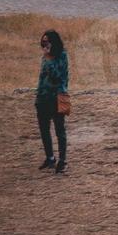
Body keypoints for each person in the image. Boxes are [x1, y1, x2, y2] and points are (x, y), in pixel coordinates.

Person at [36, 29, 68, 174]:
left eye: (47, 41)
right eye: (43, 41)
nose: (44, 44)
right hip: (43, 97)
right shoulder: (45, 57)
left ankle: (62, 160)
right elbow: (42, 78)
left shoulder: (61, 56)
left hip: (57, 97)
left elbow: (57, 76)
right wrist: (38, 97)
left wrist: (48, 57)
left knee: (59, 130)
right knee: (44, 130)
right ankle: (50, 158)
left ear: (53, 42)